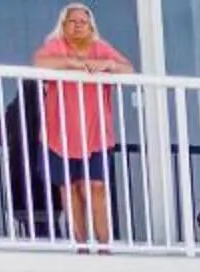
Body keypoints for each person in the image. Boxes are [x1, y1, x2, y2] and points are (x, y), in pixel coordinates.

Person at [32, 4, 131, 248]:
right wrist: (74, 64)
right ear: (63, 25)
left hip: (96, 133)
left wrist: (107, 65)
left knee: (96, 187)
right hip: (60, 133)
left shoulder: (100, 48)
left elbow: (128, 70)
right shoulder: (56, 46)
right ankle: (82, 245)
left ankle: (105, 245)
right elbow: (39, 64)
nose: (78, 25)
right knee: (71, 188)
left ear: (91, 27)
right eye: (72, 21)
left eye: (83, 22)